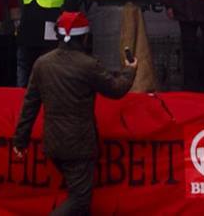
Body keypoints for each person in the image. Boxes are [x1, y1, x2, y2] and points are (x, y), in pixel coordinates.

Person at [13, 12, 137, 215]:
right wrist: (130, 70)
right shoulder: (88, 65)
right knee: (80, 200)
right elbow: (116, 89)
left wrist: (20, 140)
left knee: (78, 198)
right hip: (79, 146)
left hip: (53, 144)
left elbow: (30, 105)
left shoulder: (42, 63)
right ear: (85, 37)